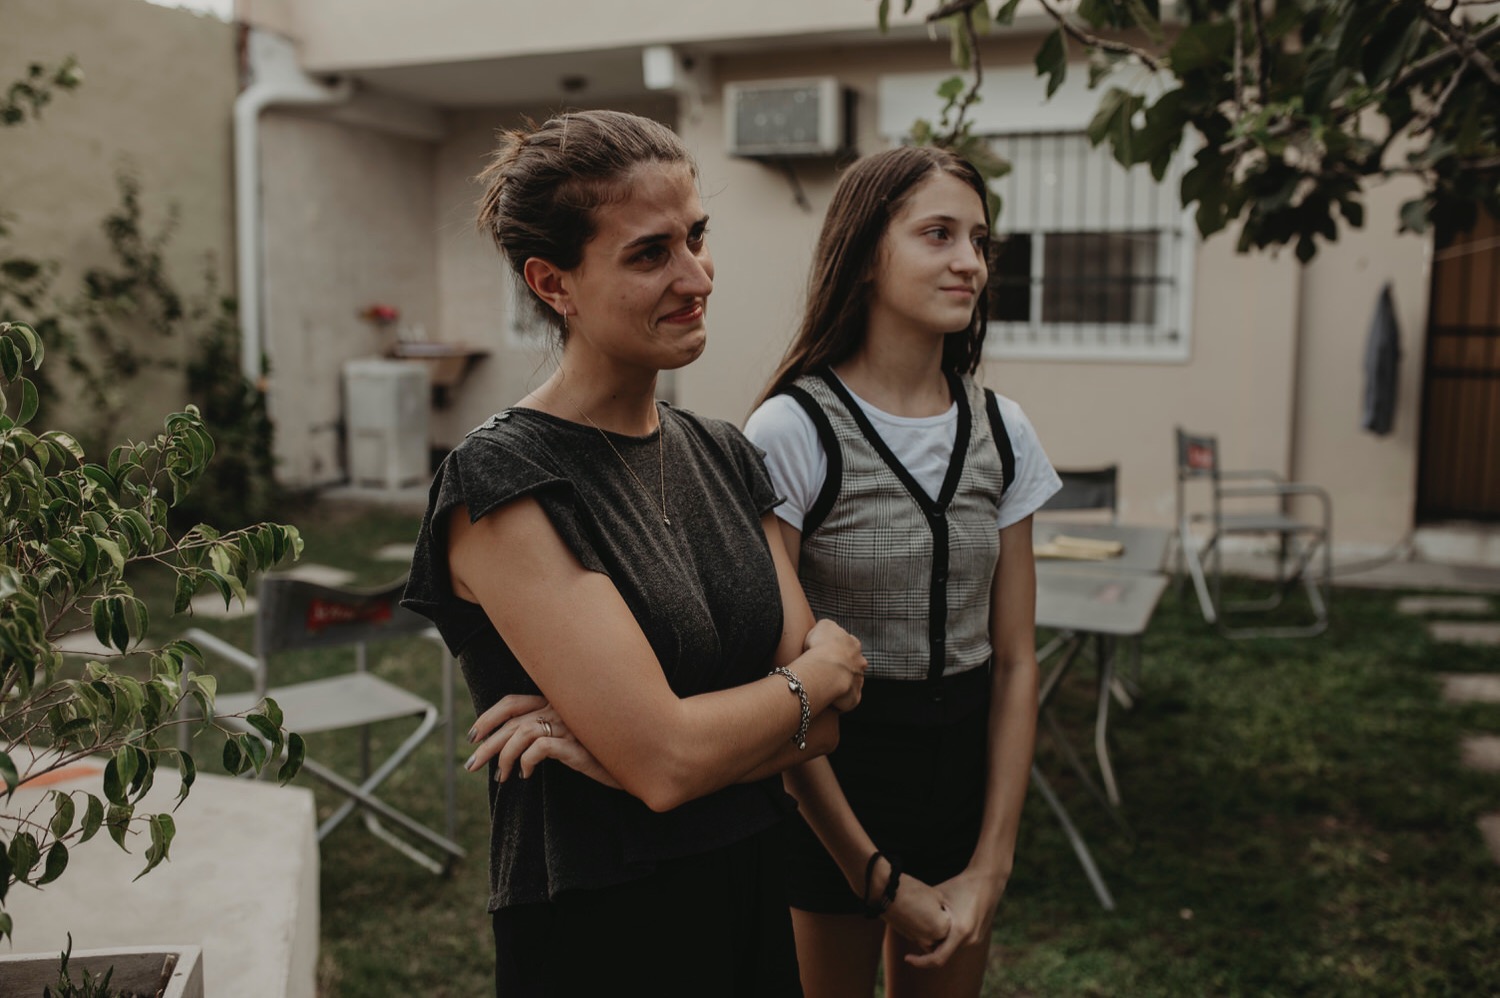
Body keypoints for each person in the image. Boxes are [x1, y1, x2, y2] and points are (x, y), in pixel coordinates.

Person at [401, 109, 868, 998]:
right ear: (555, 284)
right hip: (605, 923)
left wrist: (643, 740)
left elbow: (826, 729)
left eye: (696, 236)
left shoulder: (724, 453)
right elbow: (673, 762)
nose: (696, 276)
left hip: (748, 885)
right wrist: (813, 678)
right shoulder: (505, 479)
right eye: (651, 254)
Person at [743, 145, 1061, 998]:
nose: (971, 262)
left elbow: (1017, 662)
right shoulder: (792, 429)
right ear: (864, 255)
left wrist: (991, 865)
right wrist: (874, 877)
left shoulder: (1006, 431)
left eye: (979, 240)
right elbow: (782, 681)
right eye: (938, 234)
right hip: (832, 795)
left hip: (962, 787)